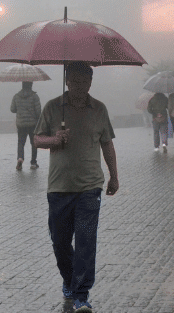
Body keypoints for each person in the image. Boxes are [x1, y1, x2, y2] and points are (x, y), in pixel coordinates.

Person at [33, 61, 119, 313]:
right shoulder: (53, 107)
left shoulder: (99, 109)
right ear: (67, 81)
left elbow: (107, 144)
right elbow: (37, 139)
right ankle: (69, 280)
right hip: (59, 187)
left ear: (90, 82)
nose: (79, 86)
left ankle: (81, 294)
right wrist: (55, 139)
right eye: (74, 81)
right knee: (60, 242)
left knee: (85, 241)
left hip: (90, 187)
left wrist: (114, 176)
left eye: (84, 81)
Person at [10, 81, 42, 170]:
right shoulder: (34, 96)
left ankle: (20, 158)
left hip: (21, 124)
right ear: (31, 85)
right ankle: (33, 163)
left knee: (21, 142)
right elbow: (38, 112)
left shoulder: (16, 96)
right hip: (33, 124)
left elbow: (12, 109)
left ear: (22, 85)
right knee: (34, 143)